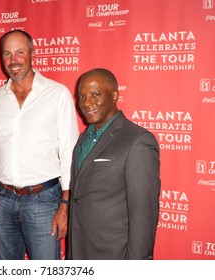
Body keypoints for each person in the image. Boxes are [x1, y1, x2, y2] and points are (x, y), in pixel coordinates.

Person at [0, 30, 79, 260]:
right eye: (7, 54)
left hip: (44, 201)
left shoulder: (57, 94)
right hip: (2, 200)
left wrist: (65, 205)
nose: (13, 60)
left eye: (20, 52)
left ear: (32, 53)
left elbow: (70, 155)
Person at [67, 68, 161, 260]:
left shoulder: (138, 141)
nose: (86, 103)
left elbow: (143, 215)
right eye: (82, 95)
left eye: (95, 95)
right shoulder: (84, 138)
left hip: (113, 254)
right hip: (79, 249)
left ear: (115, 95)